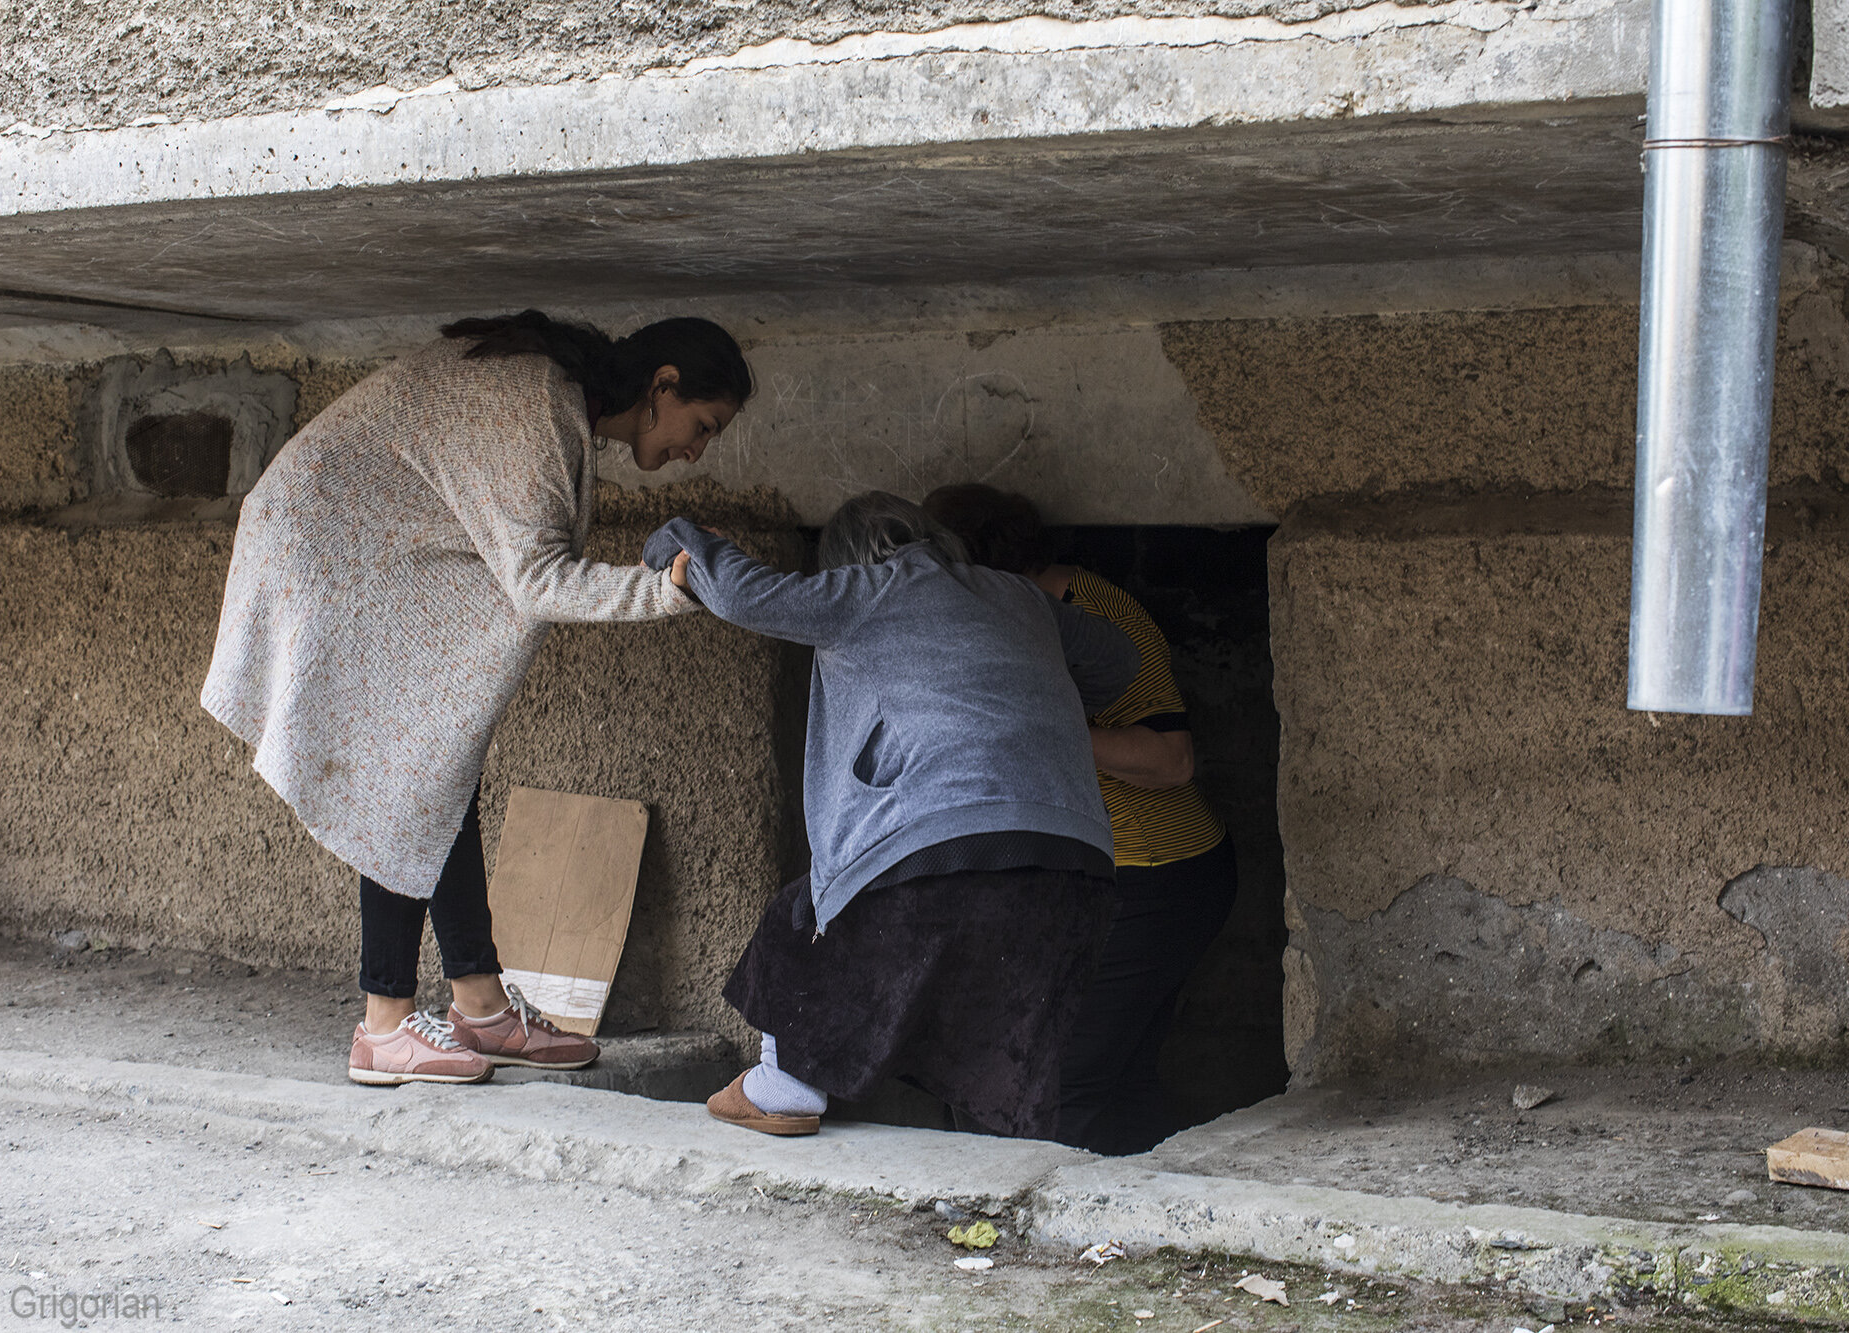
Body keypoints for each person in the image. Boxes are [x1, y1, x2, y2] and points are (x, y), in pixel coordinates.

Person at [201, 309, 752, 1086]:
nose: (697, 449)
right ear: (663, 386)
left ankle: (481, 1006)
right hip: (327, 544)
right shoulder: (539, 408)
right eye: (703, 423)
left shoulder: (559, 401)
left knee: (437, 756)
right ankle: (383, 1026)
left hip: (366, 539)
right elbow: (539, 581)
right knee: (411, 766)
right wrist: (668, 588)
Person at [642, 491, 1140, 1139]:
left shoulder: (867, 589)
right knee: (1002, 1047)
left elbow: (746, 593)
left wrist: (681, 539)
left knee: (798, 917)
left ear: (847, 558)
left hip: (936, 849)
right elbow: (1120, 660)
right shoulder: (1019, 597)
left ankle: (785, 1086)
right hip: (1076, 867)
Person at [922, 483, 1238, 1155]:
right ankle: (1137, 1217)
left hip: (1152, 878)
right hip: (1092, 880)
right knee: (1115, 1076)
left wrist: (1047, 721)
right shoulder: (994, 617)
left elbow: (1173, 757)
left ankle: (1072, 1230)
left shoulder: (1089, 611)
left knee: (1065, 1076)